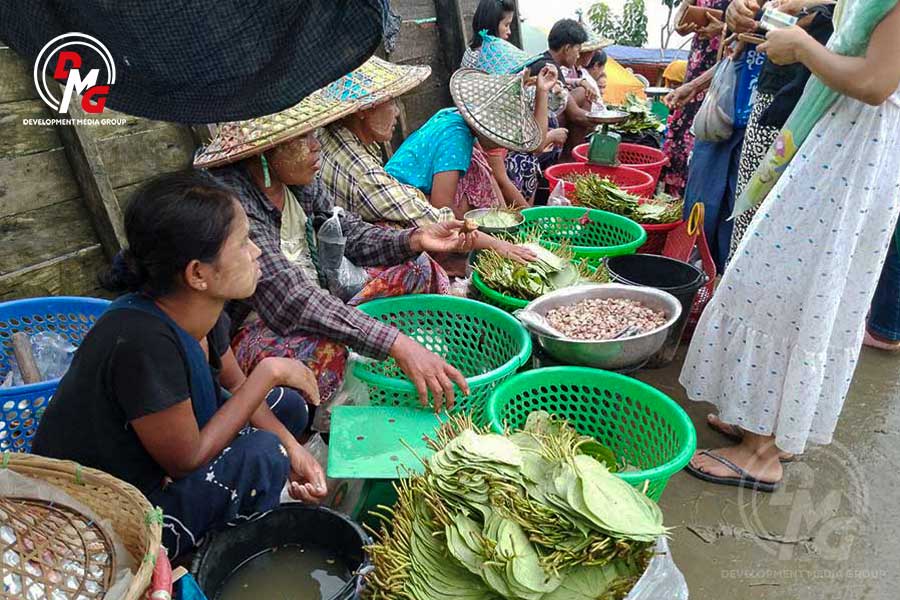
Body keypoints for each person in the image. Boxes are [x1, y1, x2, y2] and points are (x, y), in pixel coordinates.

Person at [32, 172, 326, 557]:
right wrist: (270, 372)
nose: (255, 252)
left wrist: (297, 451)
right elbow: (186, 460)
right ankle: (202, 551)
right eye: (242, 243)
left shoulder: (204, 313)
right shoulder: (142, 341)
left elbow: (239, 389)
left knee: (286, 410)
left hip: (166, 457)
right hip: (103, 517)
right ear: (197, 273)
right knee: (264, 455)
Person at [681, 0, 900, 492]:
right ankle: (771, 425)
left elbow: (876, 83)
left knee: (780, 282)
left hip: (854, 152)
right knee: (800, 286)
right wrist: (781, 14)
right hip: (843, 142)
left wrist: (802, 46)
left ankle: (760, 452)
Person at [194, 87, 476, 413]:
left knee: (418, 265)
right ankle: (330, 413)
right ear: (265, 150)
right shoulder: (232, 201)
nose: (317, 146)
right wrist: (394, 343)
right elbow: (289, 296)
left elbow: (349, 235)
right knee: (329, 350)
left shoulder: (301, 182)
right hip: (261, 327)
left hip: (320, 295)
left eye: (314, 134)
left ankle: (375, 344)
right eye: (303, 139)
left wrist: (415, 239)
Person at [319, 56, 534, 269]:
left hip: (391, 202)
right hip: (359, 240)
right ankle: (450, 267)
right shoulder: (365, 175)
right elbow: (437, 214)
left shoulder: (340, 133)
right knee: (419, 267)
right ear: (365, 110)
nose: (397, 113)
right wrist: (498, 245)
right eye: (392, 102)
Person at [385, 67, 553, 217]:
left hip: (403, 190)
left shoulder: (453, 115)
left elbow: (489, 174)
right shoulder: (456, 141)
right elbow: (440, 210)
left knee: (480, 167)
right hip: (400, 201)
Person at [662, 0, 730, 196]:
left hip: (725, 69)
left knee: (709, 141)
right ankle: (676, 208)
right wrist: (679, 24)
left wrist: (724, 29)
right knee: (680, 146)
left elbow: (754, 31)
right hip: (698, 67)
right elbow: (683, 8)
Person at [526, 18, 599, 159]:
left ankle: (570, 158)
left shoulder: (546, 60)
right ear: (567, 49)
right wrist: (607, 120)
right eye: (578, 50)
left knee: (582, 92)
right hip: (535, 134)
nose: (578, 55)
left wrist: (581, 82)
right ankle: (568, 160)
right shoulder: (549, 68)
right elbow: (575, 114)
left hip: (539, 125)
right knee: (578, 108)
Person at [461, 0, 517, 68]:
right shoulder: (490, 62)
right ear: (492, 25)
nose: (509, 31)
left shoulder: (469, 52)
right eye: (506, 25)